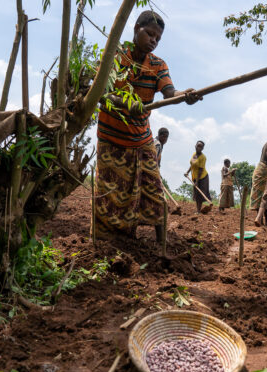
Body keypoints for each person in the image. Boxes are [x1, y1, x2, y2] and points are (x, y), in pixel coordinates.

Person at [94, 11, 201, 241]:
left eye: (158, 38)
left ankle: (162, 244)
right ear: (136, 28)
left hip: (141, 139)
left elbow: (170, 92)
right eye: (150, 34)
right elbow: (99, 94)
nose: (153, 40)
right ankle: (106, 242)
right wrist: (125, 103)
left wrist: (185, 95)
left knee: (154, 190)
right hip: (111, 138)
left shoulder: (157, 64)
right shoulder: (114, 57)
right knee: (109, 194)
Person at [185, 141, 211, 213]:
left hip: (202, 177)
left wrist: (197, 181)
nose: (199, 147)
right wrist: (187, 172)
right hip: (195, 177)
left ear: (202, 148)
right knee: (196, 194)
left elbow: (200, 170)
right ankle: (198, 210)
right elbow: (192, 165)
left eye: (201, 146)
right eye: (198, 145)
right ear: (195, 146)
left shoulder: (203, 157)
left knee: (200, 194)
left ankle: (199, 211)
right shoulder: (194, 154)